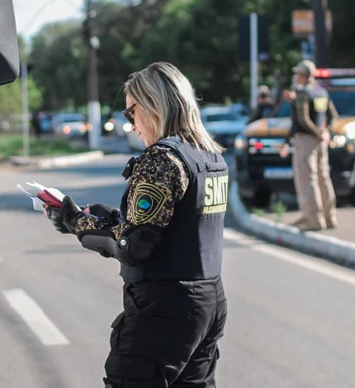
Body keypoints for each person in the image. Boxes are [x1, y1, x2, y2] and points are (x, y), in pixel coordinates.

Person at [45, 62, 229, 388]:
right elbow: (165, 225)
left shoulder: (162, 158)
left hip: (164, 307)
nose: (131, 125)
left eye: (131, 113)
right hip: (208, 302)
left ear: (154, 106)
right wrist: (104, 216)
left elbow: (133, 245)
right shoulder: (210, 157)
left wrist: (74, 221)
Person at [280, 60, 338, 231]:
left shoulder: (303, 93)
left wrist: (316, 132)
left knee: (307, 178)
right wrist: (325, 131)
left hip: (306, 140)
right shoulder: (321, 92)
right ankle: (329, 217)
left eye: (297, 73)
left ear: (304, 75)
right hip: (321, 142)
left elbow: (303, 120)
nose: (295, 76)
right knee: (323, 177)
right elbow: (332, 115)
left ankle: (313, 219)